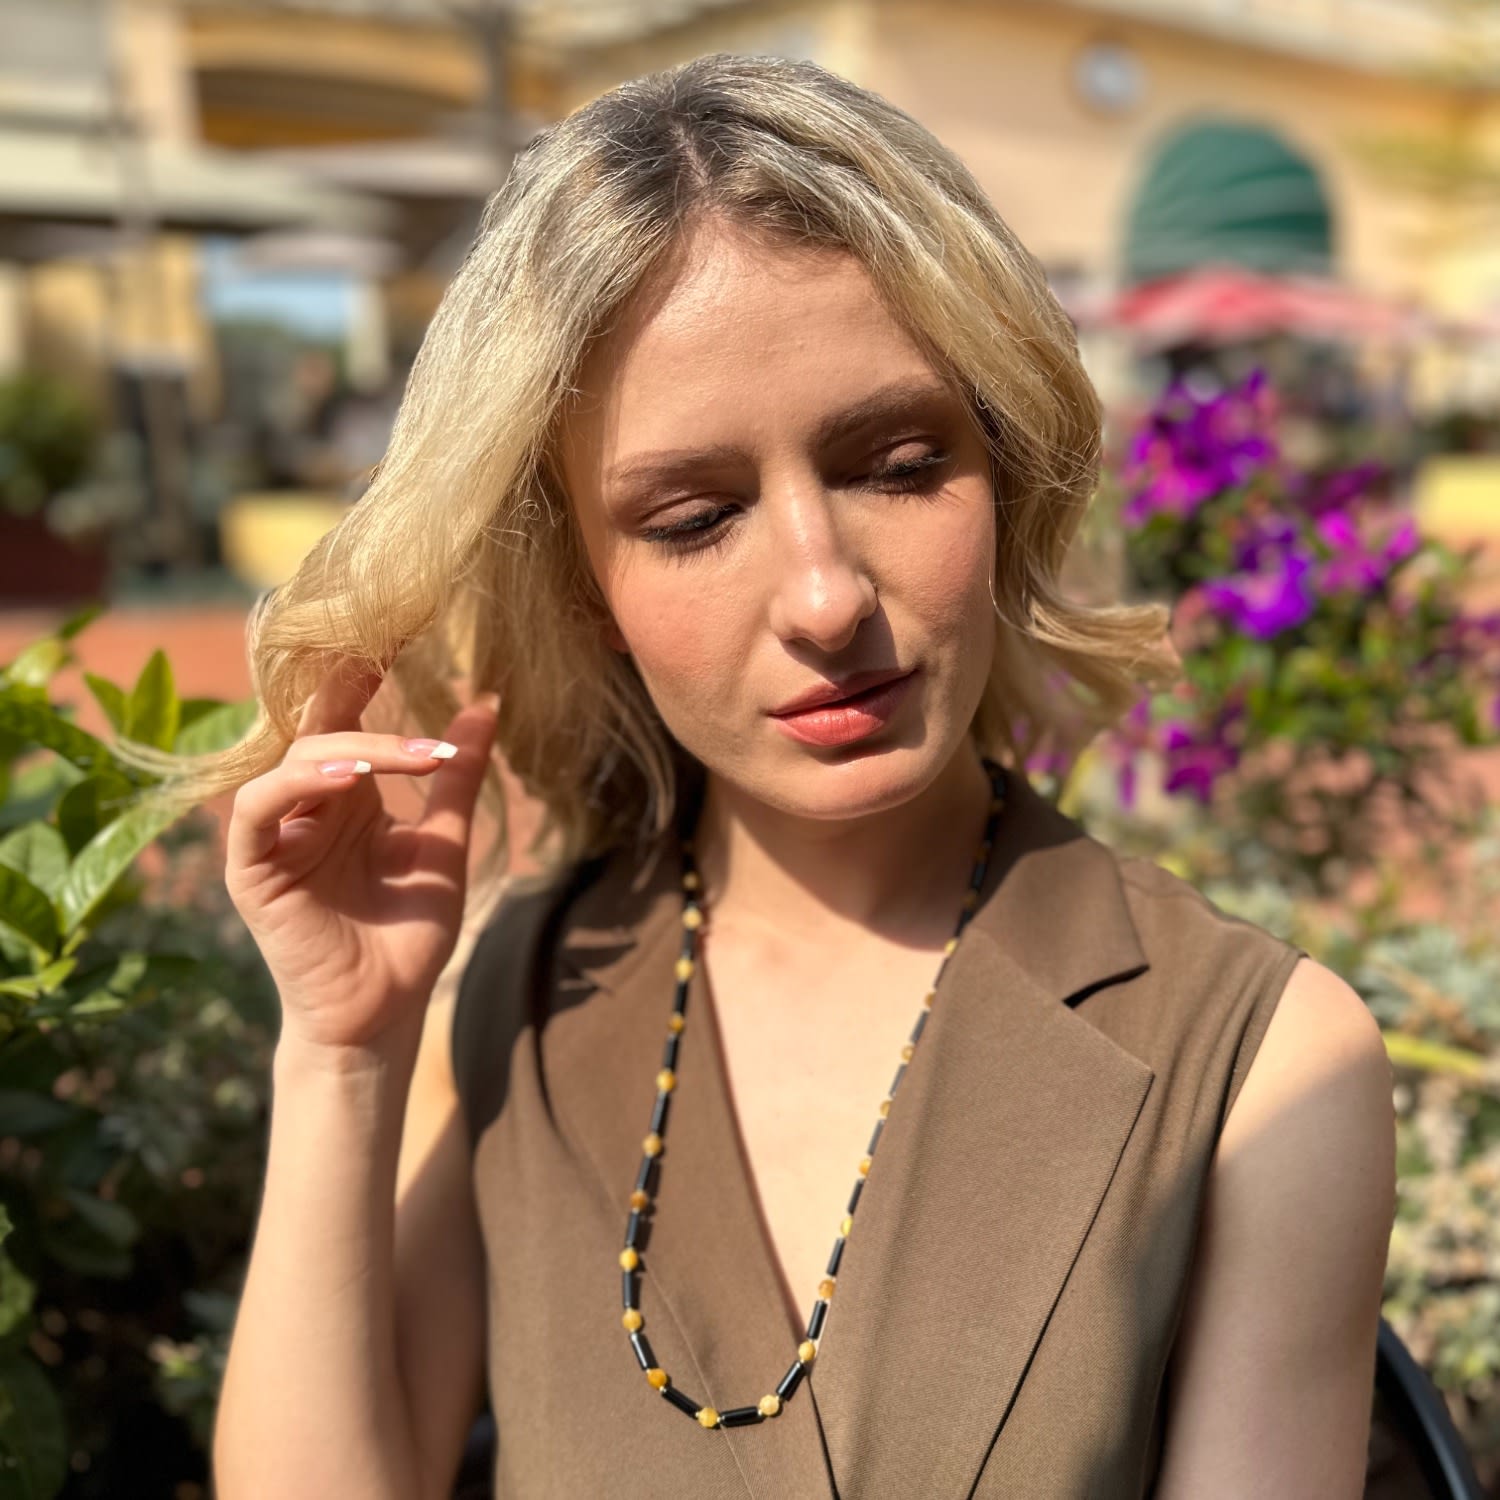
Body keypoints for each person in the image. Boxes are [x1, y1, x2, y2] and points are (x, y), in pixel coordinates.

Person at [166, 53, 1394, 1499]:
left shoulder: (1259, 1062)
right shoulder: (512, 1005)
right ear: (586, 583)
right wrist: (338, 1053)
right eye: (695, 518)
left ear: (1007, 465)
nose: (823, 597)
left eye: (898, 464)